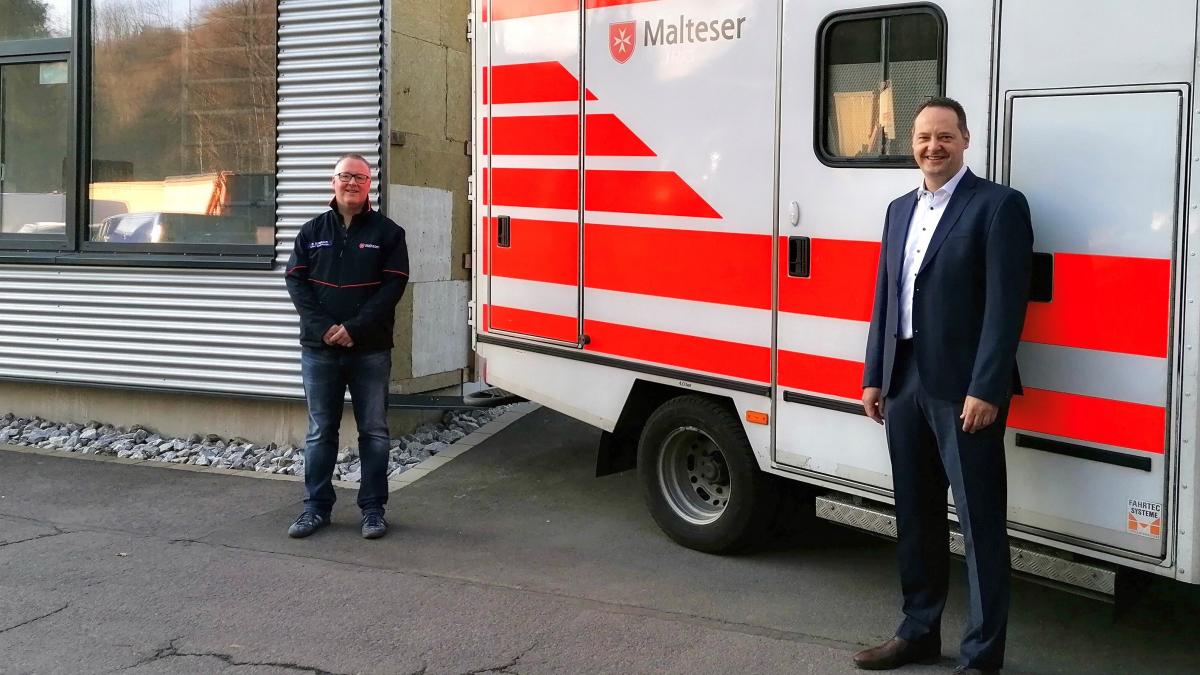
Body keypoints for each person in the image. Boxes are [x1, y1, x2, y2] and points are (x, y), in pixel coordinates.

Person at [857, 97, 1033, 675]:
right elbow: (887, 297)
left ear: (965, 140)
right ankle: (919, 630)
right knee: (915, 513)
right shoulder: (897, 210)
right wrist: (874, 376)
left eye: (945, 137)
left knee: (980, 524)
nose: (933, 147)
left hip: (965, 393)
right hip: (904, 381)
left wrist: (986, 388)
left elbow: (1005, 308)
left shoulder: (999, 206)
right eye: (923, 138)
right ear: (912, 144)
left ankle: (982, 657)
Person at [284, 154, 409, 540]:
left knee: (374, 431)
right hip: (319, 350)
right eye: (344, 176)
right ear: (332, 182)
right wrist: (325, 329)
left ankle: (373, 510)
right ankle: (316, 509)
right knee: (321, 431)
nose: (351, 183)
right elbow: (296, 283)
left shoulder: (388, 233)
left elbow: (393, 286)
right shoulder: (311, 231)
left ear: (369, 184)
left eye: (359, 177)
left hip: (369, 349)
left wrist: (354, 328)